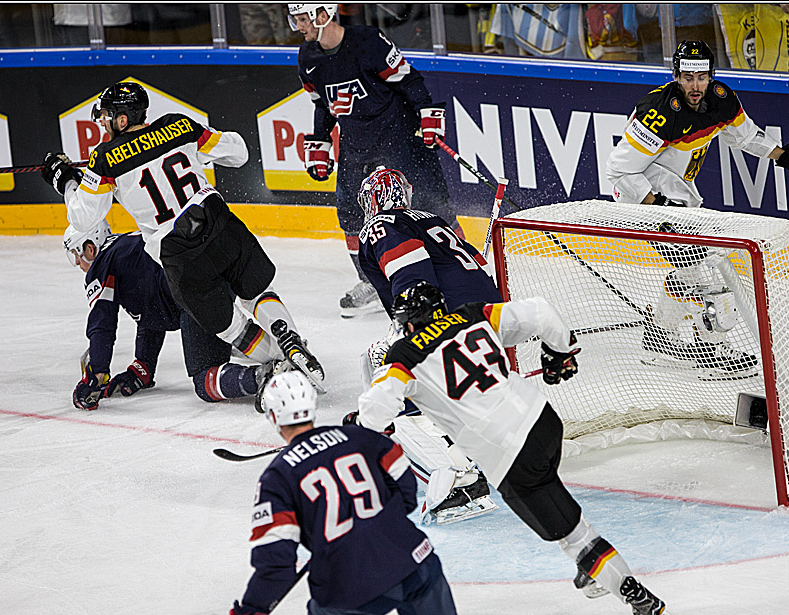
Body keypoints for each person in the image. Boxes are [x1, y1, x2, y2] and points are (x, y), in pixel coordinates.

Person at [351, 282, 673, 615]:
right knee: (551, 491)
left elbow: (376, 411)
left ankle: (628, 589)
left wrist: (361, 426)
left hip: (507, 453)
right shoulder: (474, 314)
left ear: (411, 322)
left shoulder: (403, 355)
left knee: (573, 535)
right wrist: (560, 352)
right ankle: (592, 566)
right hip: (544, 422)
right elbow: (541, 311)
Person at [41, 81, 324, 406]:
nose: (103, 123)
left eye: (106, 117)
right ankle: (290, 340)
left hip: (182, 257)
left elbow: (82, 218)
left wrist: (67, 181)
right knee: (256, 291)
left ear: (121, 119)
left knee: (231, 328)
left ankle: (278, 362)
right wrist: (199, 151)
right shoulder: (178, 126)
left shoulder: (105, 159)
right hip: (219, 223)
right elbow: (239, 153)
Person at [219, 370, 514, 615]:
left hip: (349, 581)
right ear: (313, 405)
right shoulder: (362, 438)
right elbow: (406, 490)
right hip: (414, 559)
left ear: (272, 416)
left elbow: (275, 566)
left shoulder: (277, 479)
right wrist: (378, 523)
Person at [605, 39, 789, 376]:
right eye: (688, 78)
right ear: (676, 76)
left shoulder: (721, 99)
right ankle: (708, 350)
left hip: (680, 196)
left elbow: (746, 137)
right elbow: (618, 171)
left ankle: (659, 337)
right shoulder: (657, 111)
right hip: (645, 198)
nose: (695, 86)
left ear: (711, 76)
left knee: (692, 268)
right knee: (706, 267)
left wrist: (788, 159)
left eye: (702, 77)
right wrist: (658, 207)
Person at [288, 3, 463, 318]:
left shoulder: (368, 41)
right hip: (356, 144)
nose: (298, 26)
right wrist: (321, 140)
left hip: (399, 135)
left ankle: (462, 264)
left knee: (430, 203)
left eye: (302, 19)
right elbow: (322, 105)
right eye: (296, 20)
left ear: (323, 15)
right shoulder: (308, 57)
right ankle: (371, 279)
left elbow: (408, 79)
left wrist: (426, 112)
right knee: (351, 213)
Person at [355, 166, 502, 524]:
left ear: (372, 200)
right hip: (488, 324)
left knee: (385, 371)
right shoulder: (430, 219)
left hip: (447, 323)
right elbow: (479, 271)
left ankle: (456, 482)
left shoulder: (379, 226)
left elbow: (414, 283)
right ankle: (465, 448)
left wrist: (411, 343)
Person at [65, 219, 276, 411]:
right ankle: (281, 353)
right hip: (213, 271)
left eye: (76, 254)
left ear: (90, 248)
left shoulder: (102, 265)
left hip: (194, 292)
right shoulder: (126, 248)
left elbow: (102, 323)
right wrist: (143, 365)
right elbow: (151, 310)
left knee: (205, 382)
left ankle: (266, 378)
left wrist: (96, 374)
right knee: (229, 334)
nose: (77, 263)